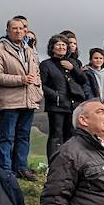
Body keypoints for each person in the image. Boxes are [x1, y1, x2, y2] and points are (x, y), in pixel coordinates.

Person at [0, 16, 42, 181]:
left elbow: (36, 73)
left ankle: (21, 168)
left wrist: (38, 91)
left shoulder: (29, 50)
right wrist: (21, 79)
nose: (19, 31)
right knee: (6, 137)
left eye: (22, 28)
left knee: (24, 136)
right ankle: (5, 169)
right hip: (8, 101)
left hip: (28, 100)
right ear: (8, 31)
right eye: (14, 28)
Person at [40, 34, 80, 162]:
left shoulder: (72, 62)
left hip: (72, 105)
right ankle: (53, 163)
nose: (61, 47)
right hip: (56, 105)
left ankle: (69, 163)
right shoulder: (46, 65)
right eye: (58, 44)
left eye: (64, 44)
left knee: (71, 135)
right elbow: (42, 85)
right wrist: (56, 96)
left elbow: (83, 80)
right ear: (52, 48)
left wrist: (73, 69)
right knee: (56, 135)